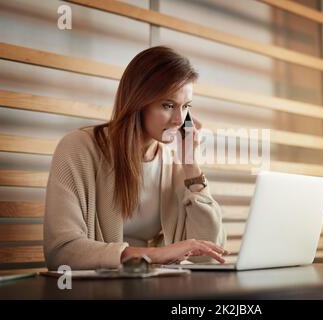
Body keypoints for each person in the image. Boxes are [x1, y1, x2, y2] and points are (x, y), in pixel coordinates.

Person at [43, 46, 227, 270]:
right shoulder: (78, 149)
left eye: (186, 106)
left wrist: (191, 166)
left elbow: (209, 255)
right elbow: (61, 252)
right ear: (139, 102)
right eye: (168, 105)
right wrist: (155, 255)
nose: (179, 119)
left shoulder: (176, 164)